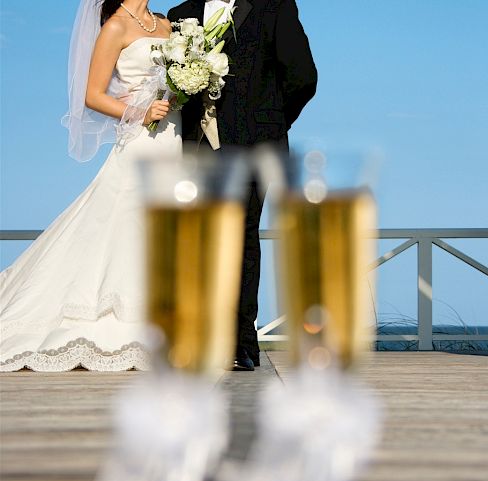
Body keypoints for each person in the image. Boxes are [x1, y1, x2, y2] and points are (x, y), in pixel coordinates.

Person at [0, 0, 181, 371]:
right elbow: (92, 95)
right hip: (142, 141)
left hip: (176, 139)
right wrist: (141, 111)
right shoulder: (115, 27)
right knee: (128, 222)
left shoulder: (166, 23)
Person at [168, 0, 317, 370]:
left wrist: (270, 121)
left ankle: (240, 345)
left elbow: (303, 76)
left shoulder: (274, 6)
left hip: (253, 146)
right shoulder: (179, 15)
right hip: (194, 149)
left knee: (241, 239)